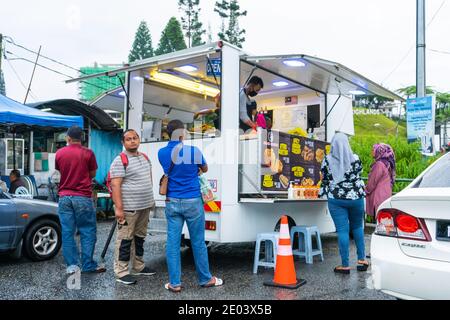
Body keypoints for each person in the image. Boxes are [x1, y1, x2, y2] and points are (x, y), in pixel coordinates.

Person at [158, 119, 223, 292]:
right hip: (193, 200)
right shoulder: (193, 151)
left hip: (172, 201)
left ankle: (175, 283)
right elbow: (205, 168)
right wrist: (197, 169)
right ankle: (205, 279)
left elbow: (170, 169)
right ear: (181, 134)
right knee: (198, 242)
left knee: (172, 243)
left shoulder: (161, 152)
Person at [55, 126, 106, 275]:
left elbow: (60, 170)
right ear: (82, 138)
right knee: (87, 230)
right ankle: (88, 265)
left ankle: (72, 266)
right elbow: (92, 173)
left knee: (67, 232)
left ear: (68, 138)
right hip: (82, 197)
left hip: (64, 197)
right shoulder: (88, 153)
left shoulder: (59, 153)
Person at [109, 129, 156, 285]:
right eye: (128, 139)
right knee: (125, 239)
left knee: (140, 237)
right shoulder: (119, 160)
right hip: (129, 208)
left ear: (139, 140)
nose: (132, 141)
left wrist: (151, 201)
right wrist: (119, 208)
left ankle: (138, 266)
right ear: (123, 143)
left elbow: (148, 179)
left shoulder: (144, 157)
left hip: (144, 206)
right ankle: (121, 271)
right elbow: (115, 185)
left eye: (135, 138)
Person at [319, 132, 369, 274]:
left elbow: (325, 179)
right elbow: (359, 173)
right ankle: (362, 259)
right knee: (358, 227)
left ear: (333, 144)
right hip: (356, 198)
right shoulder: (356, 158)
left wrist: (322, 192)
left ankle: (345, 264)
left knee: (342, 231)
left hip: (337, 199)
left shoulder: (327, 160)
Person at [365, 143, 396, 222]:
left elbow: (372, 182)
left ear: (379, 151)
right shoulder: (387, 163)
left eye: (373, 150)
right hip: (385, 195)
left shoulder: (379, 164)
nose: (372, 151)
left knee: (379, 221)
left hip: (378, 196)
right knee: (384, 221)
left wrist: (365, 190)